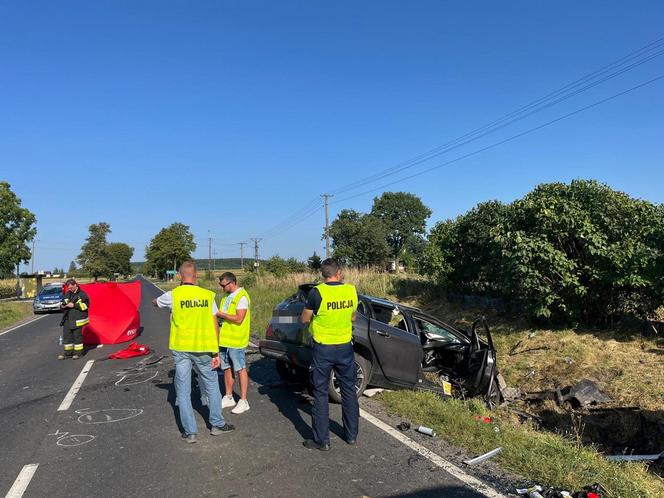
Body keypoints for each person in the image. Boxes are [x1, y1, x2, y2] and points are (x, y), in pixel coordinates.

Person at [152, 261, 234, 443]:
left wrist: (164, 304)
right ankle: (217, 425)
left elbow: (155, 302)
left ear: (180, 276)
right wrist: (216, 352)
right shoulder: (207, 296)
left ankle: (190, 432)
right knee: (212, 386)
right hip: (205, 348)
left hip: (181, 349)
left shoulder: (174, 295)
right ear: (196, 276)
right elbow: (215, 325)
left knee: (182, 390)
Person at [300, 258, 359, 451]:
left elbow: (305, 319)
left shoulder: (317, 292)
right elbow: (353, 316)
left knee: (321, 392)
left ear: (323, 274)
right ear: (339, 272)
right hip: (345, 347)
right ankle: (351, 435)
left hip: (323, 348)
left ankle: (322, 440)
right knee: (349, 390)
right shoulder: (351, 290)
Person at [216, 272, 251, 415]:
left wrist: (219, 314)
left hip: (236, 339)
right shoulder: (225, 296)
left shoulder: (241, 296)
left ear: (232, 282)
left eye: (223, 285)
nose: (222, 288)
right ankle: (229, 396)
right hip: (224, 338)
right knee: (226, 368)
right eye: (221, 285)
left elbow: (238, 319)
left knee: (240, 368)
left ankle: (243, 401)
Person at [58, 279, 90, 360]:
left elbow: (86, 305)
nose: (70, 289)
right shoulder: (67, 294)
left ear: (75, 285)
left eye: (71, 288)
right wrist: (62, 306)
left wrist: (74, 305)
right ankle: (68, 353)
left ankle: (78, 353)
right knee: (67, 336)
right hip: (67, 319)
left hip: (77, 319)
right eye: (68, 288)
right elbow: (62, 302)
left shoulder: (82, 294)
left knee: (77, 337)